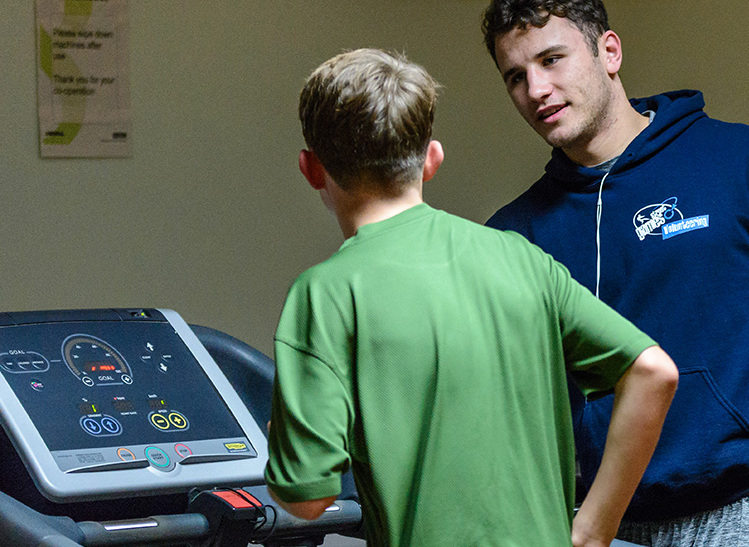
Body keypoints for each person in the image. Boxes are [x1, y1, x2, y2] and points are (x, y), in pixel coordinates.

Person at [481, 0, 749, 546]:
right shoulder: (516, 234)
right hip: (607, 521)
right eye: (516, 76)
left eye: (552, 59)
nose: (537, 88)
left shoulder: (736, 161)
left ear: (609, 51)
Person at [263, 48, 678, 547]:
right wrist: (596, 525)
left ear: (310, 170)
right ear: (431, 160)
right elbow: (654, 371)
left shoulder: (325, 294)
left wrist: (284, 438)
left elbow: (305, 500)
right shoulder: (521, 258)